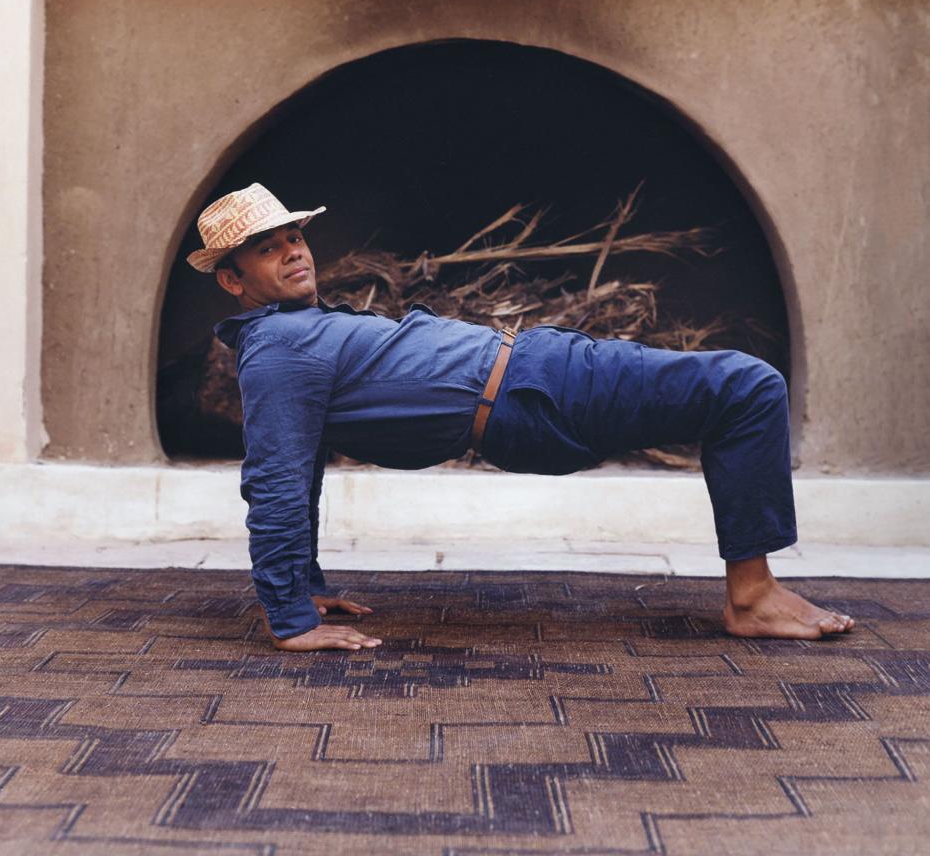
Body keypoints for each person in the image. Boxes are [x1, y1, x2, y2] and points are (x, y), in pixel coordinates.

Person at [187, 183, 855, 653]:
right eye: (268, 248)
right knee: (747, 385)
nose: (294, 251)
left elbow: (303, 463)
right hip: (533, 396)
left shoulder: (300, 327)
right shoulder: (277, 349)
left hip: (538, 367)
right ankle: (752, 596)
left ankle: (755, 590)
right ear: (233, 279)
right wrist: (287, 613)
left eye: (294, 236)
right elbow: (277, 476)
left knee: (732, 393)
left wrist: (307, 587)